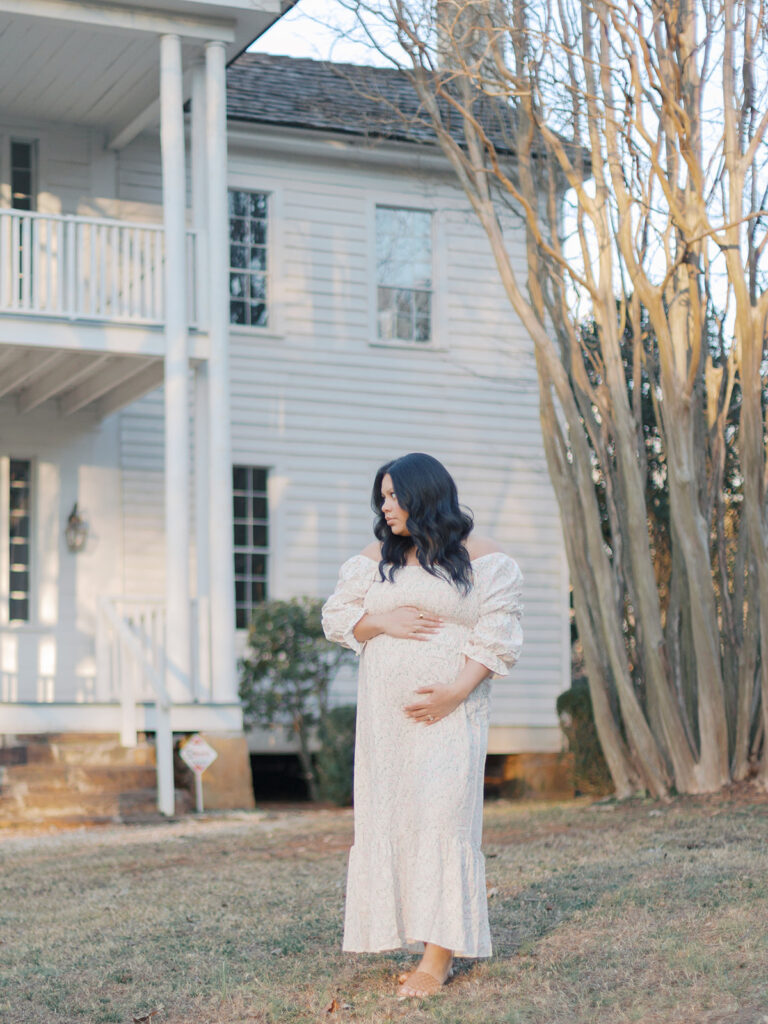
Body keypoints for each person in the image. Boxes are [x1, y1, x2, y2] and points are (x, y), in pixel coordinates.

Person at [321, 452, 523, 999]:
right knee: (398, 819)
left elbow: (498, 634)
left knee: (443, 821)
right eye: (381, 497)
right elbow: (338, 619)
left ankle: (437, 961)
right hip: (385, 726)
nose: (385, 507)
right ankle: (415, 940)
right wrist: (383, 620)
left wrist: (453, 693)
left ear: (425, 495)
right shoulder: (376, 558)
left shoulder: (485, 558)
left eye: (394, 496)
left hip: (451, 715)